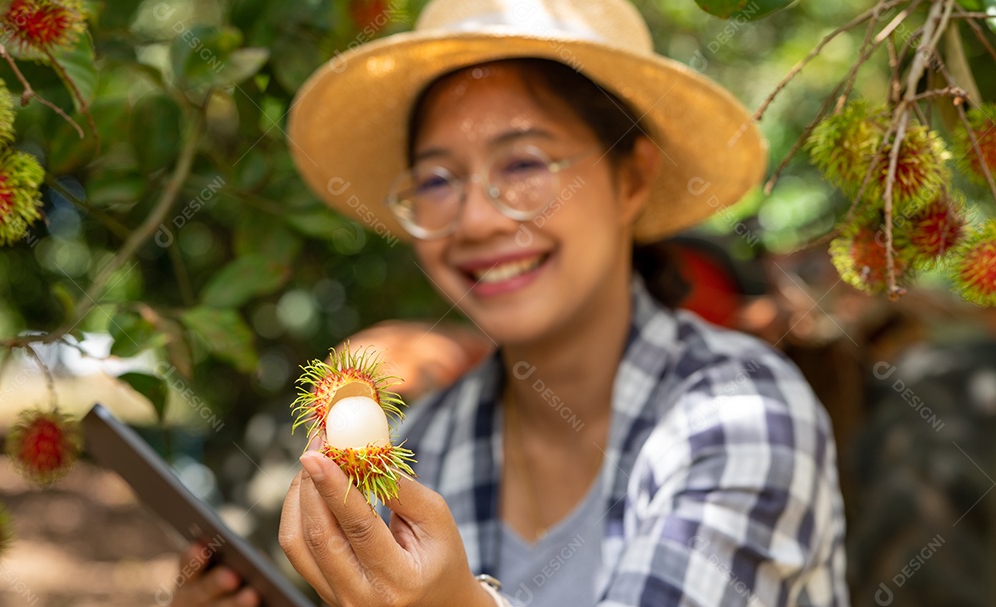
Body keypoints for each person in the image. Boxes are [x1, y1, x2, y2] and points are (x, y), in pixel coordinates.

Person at [171, 0, 849, 605]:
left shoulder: (744, 409)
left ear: (632, 178)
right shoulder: (423, 441)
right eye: (436, 179)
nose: (475, 220)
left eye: (523, 165)